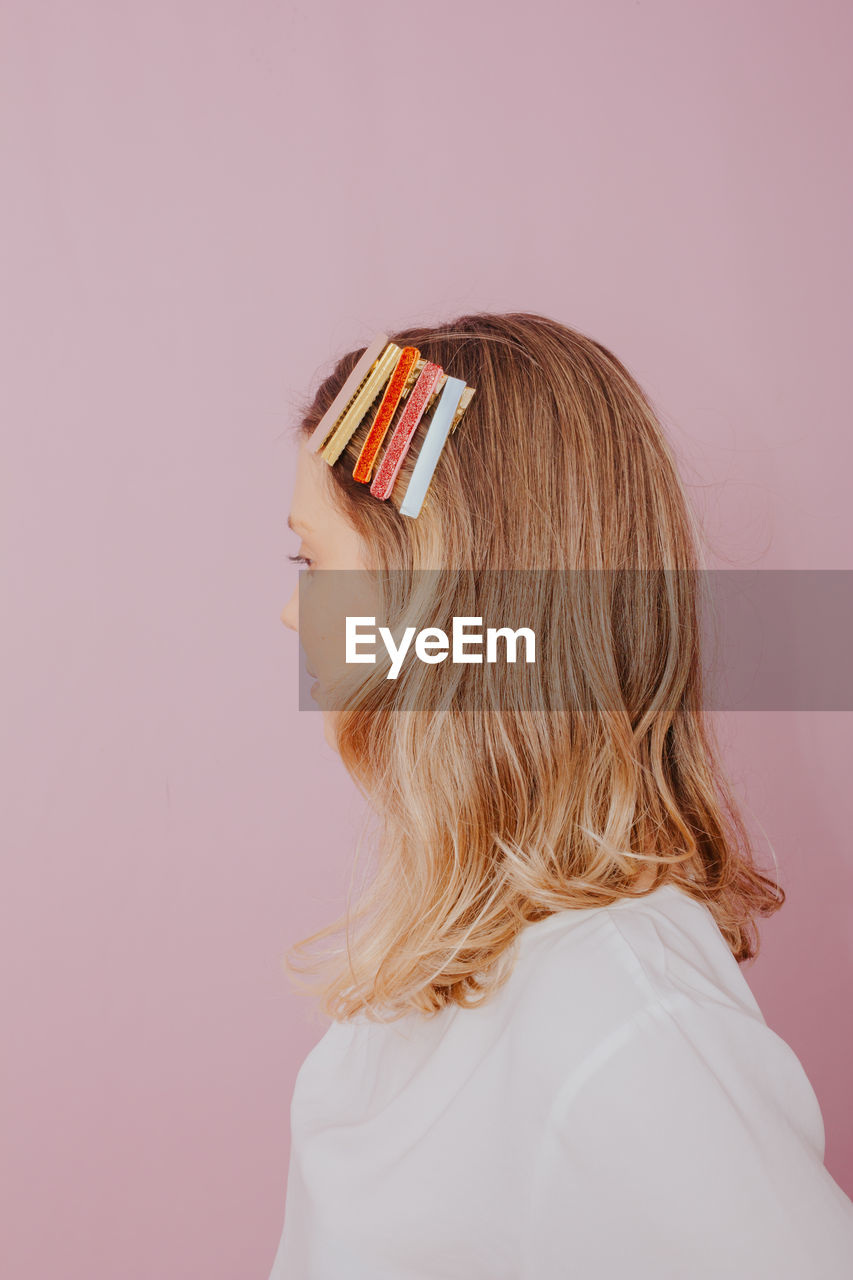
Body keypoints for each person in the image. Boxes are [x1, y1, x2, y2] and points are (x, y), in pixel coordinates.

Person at [270, 313, 853, 1278]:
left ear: (443, 605)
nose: (293, 610)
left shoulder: (618, 1015)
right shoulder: (439, 969)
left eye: (314, 562)